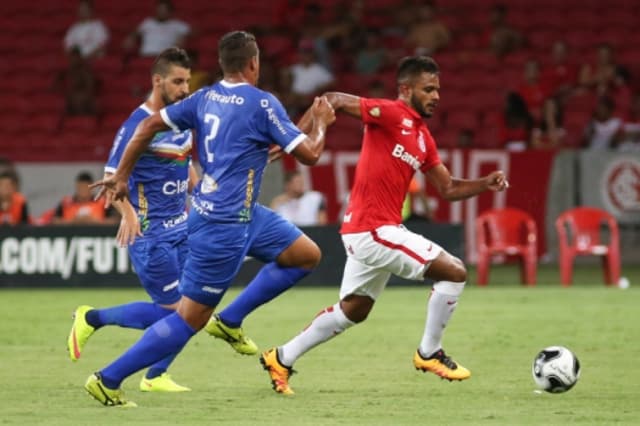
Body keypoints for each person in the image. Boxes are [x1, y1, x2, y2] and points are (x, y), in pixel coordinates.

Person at [84, 30, 335, 407]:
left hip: (244, 213)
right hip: (222, 225)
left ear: (221, 64)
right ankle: (108, 379)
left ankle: (230, 321)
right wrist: (323, 122)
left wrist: (120, 175)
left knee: (305, 255)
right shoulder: (262, 102)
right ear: (254, 63)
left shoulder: (204, 98)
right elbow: (311, 154)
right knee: (188, 318)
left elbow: (148, 126)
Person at [259, 56, 509, 395]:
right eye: (429, 89)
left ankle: (282, 357)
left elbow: (448, 188)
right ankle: (429, 352)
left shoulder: (422, 137)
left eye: (438, 89)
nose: (437, 96)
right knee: (455, 271)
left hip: (375, 230)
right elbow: (330, 99)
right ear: (406, 90)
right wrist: (292, 138)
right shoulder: (391, 113)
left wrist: (485, 183)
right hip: (373, 230)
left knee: (354, 311)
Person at [67, 48, 197, 394]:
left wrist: (200, 191)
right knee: (180, 315)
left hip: (182, 229)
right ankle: (91, 318)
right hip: (151, 236)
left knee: (195, 307)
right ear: (158, 81)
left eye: (187, 80)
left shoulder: (181, 118)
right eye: (177, 81)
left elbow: (186, 162)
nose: (185, 88)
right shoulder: (136, 126)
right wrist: (128, 214)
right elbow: (111, 180)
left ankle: (156, 376)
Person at [123, 0, 191, 58]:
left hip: (164, 58)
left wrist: (181, 39)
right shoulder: (148, 22)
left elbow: (192, 32)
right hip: (145, 55)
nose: (161, 12)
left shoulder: (178, 25)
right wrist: (131, 38)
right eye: (159, 9)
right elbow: (135, 33)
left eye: (164, 9)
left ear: (170, 11)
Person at [50, 171, 119, 225]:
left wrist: (94, 222)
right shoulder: (66, 203)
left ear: (92, 187)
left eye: (85, 187)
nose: (82, 190)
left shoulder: (103, 202)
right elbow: (54, 220)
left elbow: (114, 221)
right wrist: (73, 222)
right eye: (80, 187)